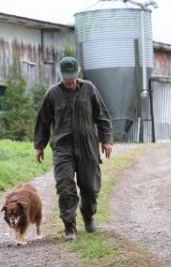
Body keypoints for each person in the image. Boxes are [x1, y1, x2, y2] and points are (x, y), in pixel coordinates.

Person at [34, 56, 113, 241]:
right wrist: (39, 145)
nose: (69, 81)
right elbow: (43, 122)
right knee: (65, 186)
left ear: (77, 73)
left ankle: (88, 215)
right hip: (63, 146)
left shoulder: (89, 89)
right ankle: (70, 226)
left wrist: (106, 140)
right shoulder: (52, 94)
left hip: (87, 146)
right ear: (61, 75)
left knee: (90, 186)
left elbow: (101, 116)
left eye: (72, 77)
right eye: (66, 78)